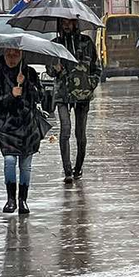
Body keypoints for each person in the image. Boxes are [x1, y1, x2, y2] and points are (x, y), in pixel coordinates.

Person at [0, 48, 44, 215]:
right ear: (3, 55)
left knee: (25, 166)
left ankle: (23, 200)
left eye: (15, 55)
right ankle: (11, 199)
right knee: (10, 161)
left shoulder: (31, 73)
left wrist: (27, 84)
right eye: (8, 55)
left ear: (21, 56)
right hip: (8, 127)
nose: (12, 59)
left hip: (28, 126)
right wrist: (12, 95)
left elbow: (40, 97)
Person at [50, 17, 101, 184]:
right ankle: (67, 171)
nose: (66, 26)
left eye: (69, 22)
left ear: (75, 24)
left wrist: (91, 83)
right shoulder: (55, 44)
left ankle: (78, 168)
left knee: (80, 134)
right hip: (63, 94)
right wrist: (54, 69)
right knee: (65, 129)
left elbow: (96, 67)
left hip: (82, 94)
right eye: (63, 23)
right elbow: (49, 70)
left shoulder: (86, 43)